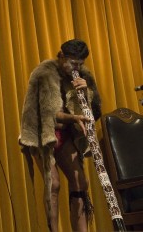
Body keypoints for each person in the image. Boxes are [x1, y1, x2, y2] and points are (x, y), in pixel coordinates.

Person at [19, 39, 102, 232]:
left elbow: (95, 112)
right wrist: (74, 117)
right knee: (53, 184)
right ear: (62, 55)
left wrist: (86, 93)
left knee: (81, 182)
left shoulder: (84, 76)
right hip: (41, 133)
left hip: (65, 134)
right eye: (73, 63)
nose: (76, 68)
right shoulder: (44, 73)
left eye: (80, 64)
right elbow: (47, 113)